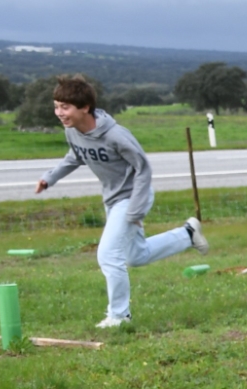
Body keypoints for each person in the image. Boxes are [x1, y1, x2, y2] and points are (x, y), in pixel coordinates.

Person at [35, 75, 206, 328]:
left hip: (133, 198)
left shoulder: (116, 136)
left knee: (107, 255)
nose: (59, 113)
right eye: (57, 106)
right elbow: (75, 157)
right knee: (137, 256)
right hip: (113, 199)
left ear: (85, 108)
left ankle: (119, 316)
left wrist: (135, 210)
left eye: (65, 107)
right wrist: (50, 178)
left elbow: (143, 169)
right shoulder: (73, 132)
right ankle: (187, 235)